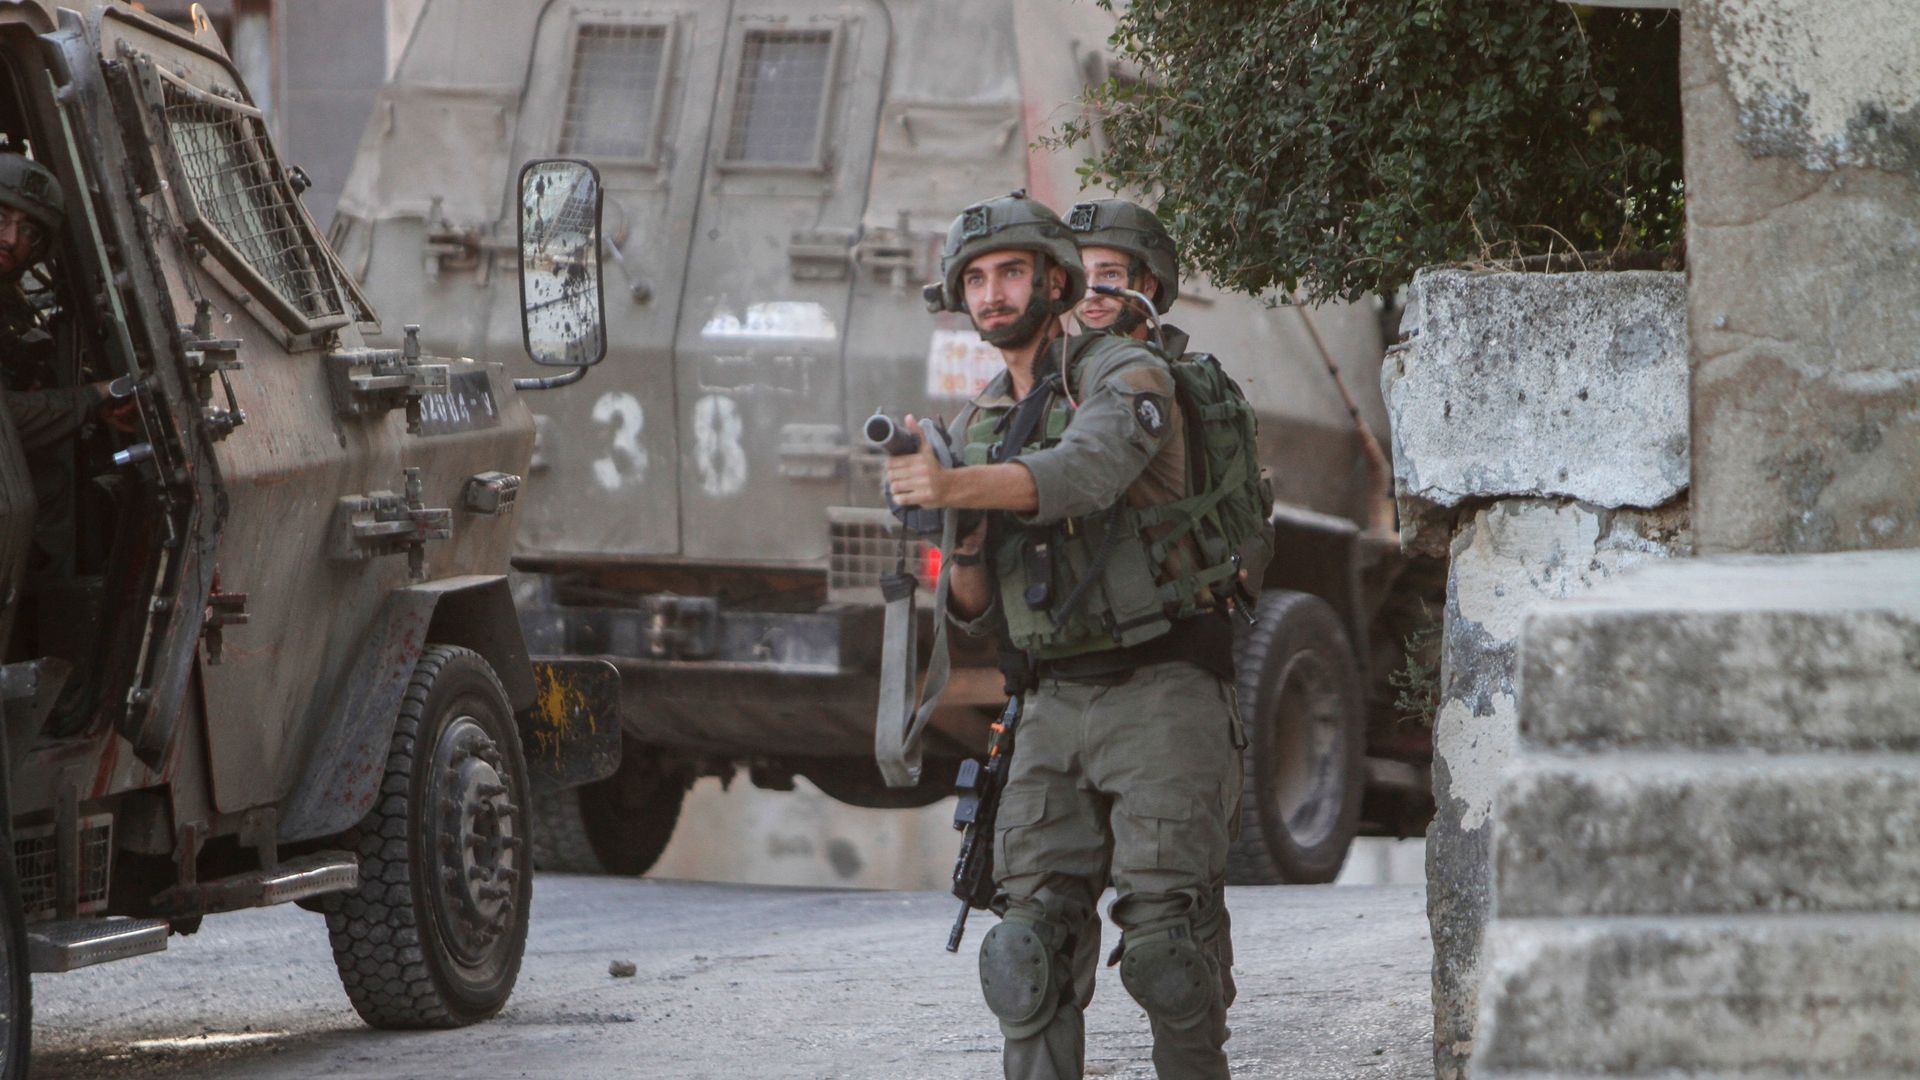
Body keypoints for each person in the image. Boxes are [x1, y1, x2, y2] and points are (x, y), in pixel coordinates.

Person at [887, 191, 1243, 1080]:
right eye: (975, 278)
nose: (994, 294)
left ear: (1056, 280)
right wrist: (957, 532)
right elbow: (972, 607)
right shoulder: (977, 425)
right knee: (1027, 954)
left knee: (1167, 949)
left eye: (1011, 273)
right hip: (1047, 701)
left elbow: (1085, 473)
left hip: (1162, 688)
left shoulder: (1126, 373)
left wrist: (955, 490)